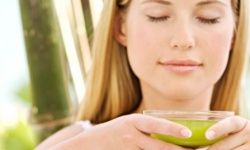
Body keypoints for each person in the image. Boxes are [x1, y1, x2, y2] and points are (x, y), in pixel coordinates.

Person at [37, 0, 250, 149]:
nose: (184, 39)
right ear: (121, 27)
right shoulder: (82, 143)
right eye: (158, 16)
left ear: (235, 31)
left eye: (208, 18)